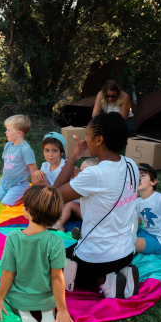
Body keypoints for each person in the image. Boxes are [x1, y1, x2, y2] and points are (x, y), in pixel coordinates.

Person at [53, 112, 140, 299]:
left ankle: (104, 281)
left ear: (99, 140)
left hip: (97, 258)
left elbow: (54, 195)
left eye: (88, 135)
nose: (85, 140)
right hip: (125, 253)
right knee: (68, 251)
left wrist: (74, 157)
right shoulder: (132, 165)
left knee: (47, 263)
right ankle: (118, 273)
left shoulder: (95, 173)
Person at [0, 185, 74, 322]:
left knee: (15, 298)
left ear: (28, 211)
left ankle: (23, 310)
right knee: (47, 302)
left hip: (18, 297)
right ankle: (47, 311)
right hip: (47, 299)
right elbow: (57, 278)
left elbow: (8, 273)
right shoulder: (56, 242)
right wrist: (62, 309)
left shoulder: (13, 238)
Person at [0, 115, 39, 206]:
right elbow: (7, 163)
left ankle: (23, 198)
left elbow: (33, 169)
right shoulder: (7, 145)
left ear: (19, 133)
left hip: (18, 185)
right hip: (4, 183)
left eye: (8, 130)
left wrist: (34, 189)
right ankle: (9, 194)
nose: (5, 132)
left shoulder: (26, 150)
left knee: (5, 204)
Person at [51, 158, 99, 232]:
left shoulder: (94, 185)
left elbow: (57, 195)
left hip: (96, 216)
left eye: (84, 172)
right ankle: (59, 224)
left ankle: (85, 231)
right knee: (69, 204)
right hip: (85, 212)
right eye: (80, 170)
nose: (81, 174)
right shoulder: (81, 181)